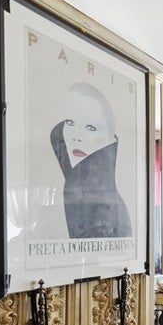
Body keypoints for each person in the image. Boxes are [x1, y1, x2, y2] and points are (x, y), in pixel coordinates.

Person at [50, 82, 132, 238]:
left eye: (91, 128)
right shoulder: (67, 187)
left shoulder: (107, 209)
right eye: (70, 122)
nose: (76, 137)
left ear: (110, 139)